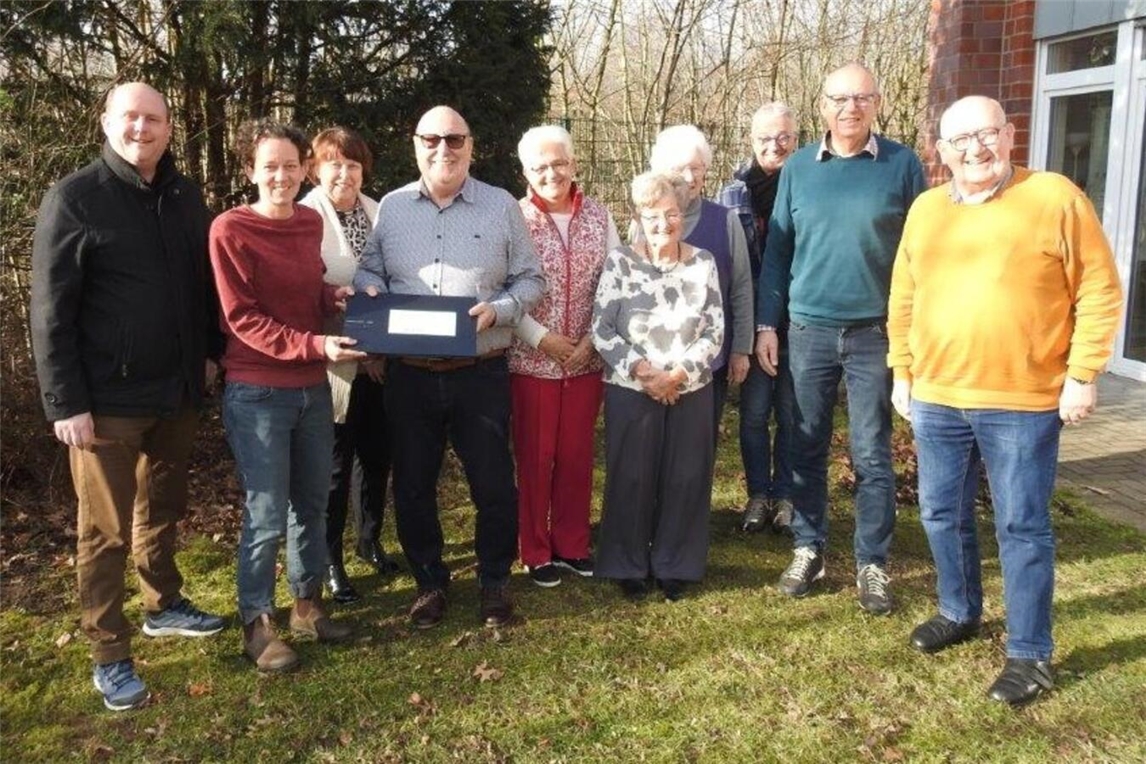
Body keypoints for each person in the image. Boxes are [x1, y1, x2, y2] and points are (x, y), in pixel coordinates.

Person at [888, 95, 1123, 706]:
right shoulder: (926, 210)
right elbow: (904, 295)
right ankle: (959, 610)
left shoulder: (1055, 198)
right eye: (960, 140)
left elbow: (1099, 287)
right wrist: (902, 369)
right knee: (941, 514)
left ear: (1010, 134)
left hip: (1022, 399)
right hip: (938, 396)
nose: (975, 149)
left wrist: (1084, 371)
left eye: (985, 134)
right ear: (940, 152)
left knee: (1021, 526)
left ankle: (1030, 655)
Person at [31, 82, 225, 711]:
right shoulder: (75, 198)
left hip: (175, 391)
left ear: (170, 128)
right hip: (105, 401)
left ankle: (162, 603)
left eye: (155, 119)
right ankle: (109, 652)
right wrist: (65, 402)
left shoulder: (182, 194)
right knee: (106, 532)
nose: (143, 129)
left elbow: (200, 285)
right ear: (108, 122)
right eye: (131, 118)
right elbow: (50, 312)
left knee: (162, 508)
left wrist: (207, 353)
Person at [353, 106, 545, 629]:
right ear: (416, 144)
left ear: (471, 145)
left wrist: (501, 311)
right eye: (432, 139)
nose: (444, 149)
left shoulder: (501, 206)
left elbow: (531, 280)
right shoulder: (391, 208)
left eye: (455, 139)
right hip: (410, 375)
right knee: (413, 483)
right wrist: (370, 290)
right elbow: (371, 269)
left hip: (479, 372)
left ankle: (494, 584)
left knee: (493, 484)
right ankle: (430, 584)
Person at [756, 63, 927, 614]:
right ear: (822, 105)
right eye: (839, 99)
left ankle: (872, 562)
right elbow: (778, 253)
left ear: (877, 103)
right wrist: (766, 324)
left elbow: (923, 256)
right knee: (805, 447)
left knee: (872, 453)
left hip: (875, 334)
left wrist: (915, 334)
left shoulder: (902, 164)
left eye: (861, 98)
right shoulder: (800, 168)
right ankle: (809, 548)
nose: (850, 108)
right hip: (807, 331)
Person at [211, 120, 361, 673]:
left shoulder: (306, 222)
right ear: (250, 171)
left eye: (291, 166)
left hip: (311, 390)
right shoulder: (230, 229)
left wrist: (333, 297)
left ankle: (305, 605)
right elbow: (243, 318)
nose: (281, 176)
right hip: (257, 393)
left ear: (305, 169)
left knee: (313, 505)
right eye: (269, 166)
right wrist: (318, 343)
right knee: (266, 514)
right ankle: (256, 624)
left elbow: (306, 292)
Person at [593, 172, 724, 603]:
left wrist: (677, 375)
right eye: (652, 216)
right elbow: (602, 329)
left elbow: (715, 331)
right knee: (630, 476)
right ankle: (627, 563)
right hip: (632, 387)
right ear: (638, 218)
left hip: (690, 387)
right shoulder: (619, 262)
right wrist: (646, 373)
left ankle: (675, 564)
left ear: (682, 214)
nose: (662, 224)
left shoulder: (702, 262)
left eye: (670, 214)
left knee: (685, 478)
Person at [510, 125, 620, 588]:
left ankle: (572, 544)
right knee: (536, 457)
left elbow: (616, 284)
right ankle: (535, 549)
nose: (551, 172)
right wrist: (542, 339)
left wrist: (592, 341)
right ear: (526, 171)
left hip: (586, 359)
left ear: (574, 163)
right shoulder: (512, 217)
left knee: (576, 455)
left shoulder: (600, 216)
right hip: (532, 359)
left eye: (559, 162)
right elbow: (502, 291)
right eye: (539, 166)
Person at [299, 127, 397, 605]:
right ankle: (330, 560)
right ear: (316, 168)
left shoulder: (381, 212)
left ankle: (370, 540)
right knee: (335, 467)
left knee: (377, 457)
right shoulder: (304, 216)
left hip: (378, 363)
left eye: (353, 164)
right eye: (334, 163)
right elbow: (301, 291)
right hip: (332, 365)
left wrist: (380, 351)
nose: (345, 173)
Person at [717, 102, 799, 535]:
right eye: (766, 138)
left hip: (796, 323)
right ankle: (757, 494)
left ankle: (786, 496)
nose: (775, 145)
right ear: (751, 141)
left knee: (789, 413)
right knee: (752, 414)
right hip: (750, 323)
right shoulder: (731, 194)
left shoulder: (807, 184)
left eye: (784, 137)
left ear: (796, 139)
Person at [645, 125, 752, 435]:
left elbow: (742, 287)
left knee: (697, 451)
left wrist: (741, 348)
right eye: (681, 169)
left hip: (708, 362)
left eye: (697, 168)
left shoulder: (726, 220)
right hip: (653, 361)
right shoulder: (645, 224)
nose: (690, 178)